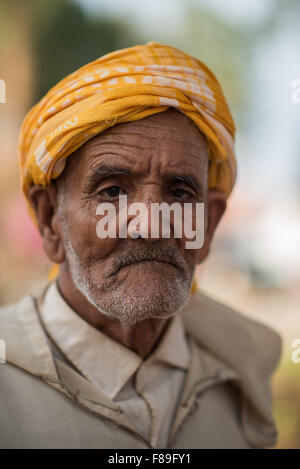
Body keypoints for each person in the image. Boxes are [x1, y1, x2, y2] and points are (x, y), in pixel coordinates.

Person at [0, 42, 281, 449]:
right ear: (49, 221)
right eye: (112, 191)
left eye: (181, 193)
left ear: (209, 222)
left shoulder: (242, 375)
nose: (151, 225)